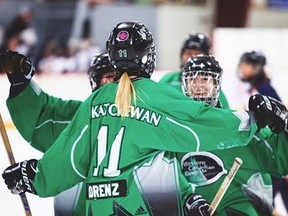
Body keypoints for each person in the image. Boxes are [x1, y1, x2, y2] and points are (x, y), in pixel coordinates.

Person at [1, 21, 284, 215]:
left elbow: (72, 155)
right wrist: (252, 120)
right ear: (148, 57)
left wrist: (36, 177)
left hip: (96, 207)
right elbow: (199, 125)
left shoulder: (97, 102)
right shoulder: (154, 97)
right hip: (135, 206)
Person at [0, 50, 115, 215]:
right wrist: (20, 82)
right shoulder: (84, 118)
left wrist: (38, 176)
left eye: (124, 78)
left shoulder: (156, 115)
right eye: (110, 77)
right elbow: (46, 119)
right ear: (96, 83)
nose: (118, 85)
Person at [179, 54, 288, 215]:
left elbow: (280, 162)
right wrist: (188, 200)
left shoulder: (240, 124)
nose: (198, 85)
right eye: (192, 80)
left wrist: (283, 127)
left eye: (204, 79)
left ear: (216, 83)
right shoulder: (177, 129)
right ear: (184, 84)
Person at [237, 50, 288, 213]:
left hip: (273, 155)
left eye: (247, 65)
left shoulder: (265, 90)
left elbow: (279, 124)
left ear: (257, 67)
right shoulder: (257, 89)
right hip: (268, 154)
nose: (243, 68)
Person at [159, 32, 229, 108]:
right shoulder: (168, 80)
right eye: (188, 53)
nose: (192, 57)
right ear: (182, 55)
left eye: (198, 53)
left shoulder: (213, 91)